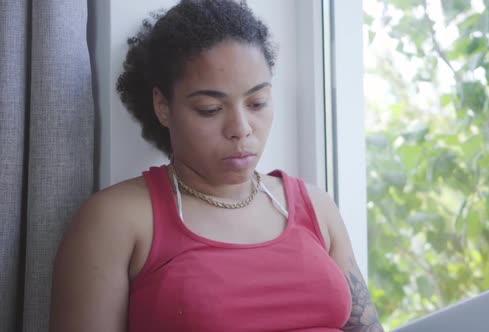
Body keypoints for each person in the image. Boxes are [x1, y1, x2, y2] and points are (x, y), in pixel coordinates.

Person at [50, 0, 384, 331]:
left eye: (257, 102)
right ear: (163, 107)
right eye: (210, 109)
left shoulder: (316, 207)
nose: (241, 128)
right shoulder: (117, 220)